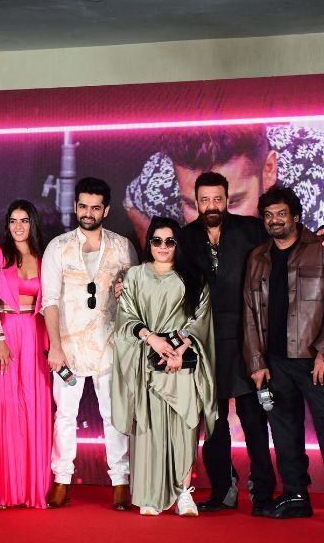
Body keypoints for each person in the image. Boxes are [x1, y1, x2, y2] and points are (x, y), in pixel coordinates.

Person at [242, 186, 324, 528]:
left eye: (281, 214)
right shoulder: (257, 257)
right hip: (274, 362)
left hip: (314, 361)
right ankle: (296, 495)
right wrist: (256, 362)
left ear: (296, 217)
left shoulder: (322, 250)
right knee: (284, 429)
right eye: (269, 215)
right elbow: (250, 314)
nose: (275, 221)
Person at [124, 124, 324, 248]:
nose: (215, 216)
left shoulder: (322, 183)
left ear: (268, 171)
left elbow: (319, 293)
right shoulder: (161, 176)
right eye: (194, 204)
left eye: (234, 201)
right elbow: (133, 204)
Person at [179, 172, 277, 514]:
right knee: (213, 425)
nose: (211, 206)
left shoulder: (252, 230)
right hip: (204, 343)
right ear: (196, 201)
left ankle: (263, 492)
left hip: (247, 340)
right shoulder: (184, 238)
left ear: (226, 198)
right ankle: (223, 490)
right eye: (205, 200)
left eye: (217, 199)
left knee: (254, 421)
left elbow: (289, 241)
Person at [42, 177, 137, 510]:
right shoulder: (58, 247)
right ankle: (61, 480)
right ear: (75, 206)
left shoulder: (123, 246)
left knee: (114, 416)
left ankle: (121, 482)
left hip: (110, 344)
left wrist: (125, 292)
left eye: (95, 208)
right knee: (65, 416)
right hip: (67, 346)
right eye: (83, 206)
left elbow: (135, 296)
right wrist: (55, 346)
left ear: (106, 210)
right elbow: (49, 300)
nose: (88, 213)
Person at [112, 216, 216, 516]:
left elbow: (201, 319)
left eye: (170, 241)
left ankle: (184, 494)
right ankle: (149, 494)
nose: (163, 246)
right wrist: (152, 339)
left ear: (177, 244)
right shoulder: (135, 276)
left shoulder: (193, 277)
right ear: (149, 243)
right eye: (157, 240)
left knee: (184, 429)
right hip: (147, 362)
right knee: (150, 429)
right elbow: (125, 317)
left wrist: (181, 348)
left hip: (181, 364)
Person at [0, 200, 52, 512]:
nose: (18, 227)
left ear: (33, 223)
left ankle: (31, 489)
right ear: (7, 225)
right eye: (13, 221)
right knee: (3, 411)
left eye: (24, 220)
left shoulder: (45, 258)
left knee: (32, 410)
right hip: (3, 336)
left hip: (35, 337)